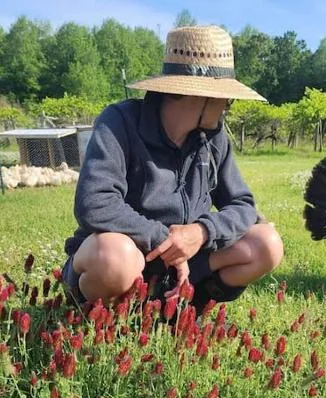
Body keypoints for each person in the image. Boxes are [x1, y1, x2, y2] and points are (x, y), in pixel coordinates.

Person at [62, 25, 283, 311]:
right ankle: (98, 318)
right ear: (199, 96)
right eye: (227, 99)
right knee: (115, 257)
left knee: (267, 243)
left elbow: (243, 205)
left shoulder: (214, 138)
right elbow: (95, 203)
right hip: (130, 254)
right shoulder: (120, 122)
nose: (228, 107)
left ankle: (185, 311)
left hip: (187, 262)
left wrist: (202, 232)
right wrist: (165, 239)